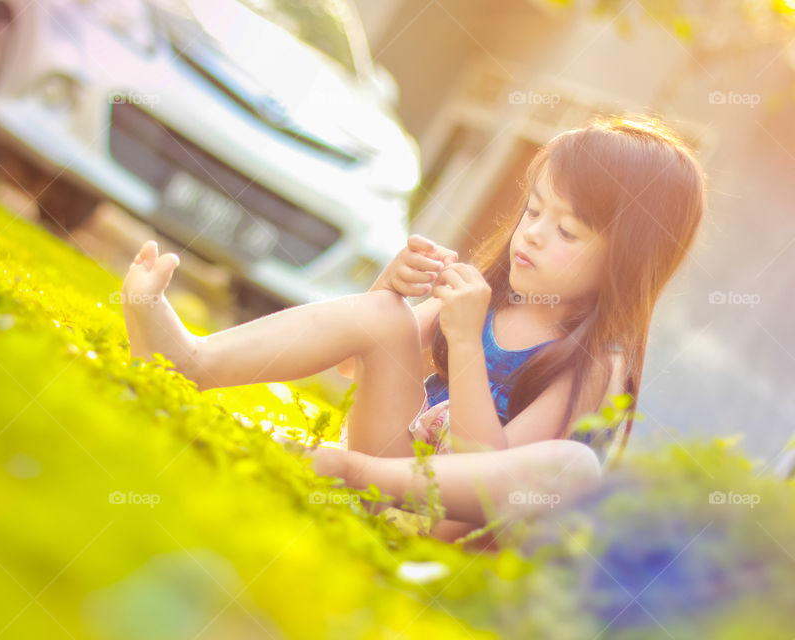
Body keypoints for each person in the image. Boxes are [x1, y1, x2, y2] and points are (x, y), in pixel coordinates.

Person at [119, 115, 707, 542]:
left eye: (568, 231)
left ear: (627, 262)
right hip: (390, 482)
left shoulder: (594, 364)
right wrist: (390, 290)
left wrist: (465, 342)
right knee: (383, 317)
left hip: (446, 528)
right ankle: (188, 361)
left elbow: (484, 477)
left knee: (574, 467)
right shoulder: (489, 299)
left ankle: (352, 472)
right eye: (533, 210)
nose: (531, 232)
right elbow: (352, 365)